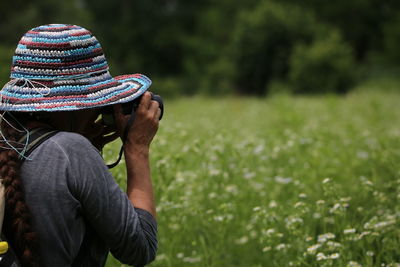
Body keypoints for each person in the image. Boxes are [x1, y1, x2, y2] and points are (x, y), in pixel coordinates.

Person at [0, 24, 160, 266]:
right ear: (74, 104)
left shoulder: (11, 142)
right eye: (99, 101)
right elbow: (140, 249)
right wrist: (137, 148)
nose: (99, 111)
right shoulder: (71, 152)